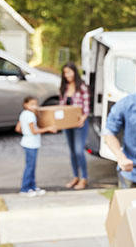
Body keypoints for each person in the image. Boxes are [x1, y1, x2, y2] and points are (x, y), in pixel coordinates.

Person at [15, 96, 57, 197]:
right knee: (30, 167)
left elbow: (18, 128)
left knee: (31, 166)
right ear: (25, 104)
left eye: (36, 104)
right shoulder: (30, 116)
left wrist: (26, 132)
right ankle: (25, 188)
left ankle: (32, 186)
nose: (35, 106)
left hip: (27, 142)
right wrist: (48, 129)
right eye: (32, 104)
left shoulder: (23, 114)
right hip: (31, 143)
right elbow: (34, 131)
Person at [59, 62, 91, 190]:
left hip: (80, 124)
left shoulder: (82, 86)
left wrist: (83, 118)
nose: (67, 75)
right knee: (72, 152)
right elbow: (61, 107)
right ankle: (75, 177)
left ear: (74, 72)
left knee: (79, 151)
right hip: (68, 124)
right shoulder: (64, 87)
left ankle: (84, 178)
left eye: (69, 72)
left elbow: (87, 107)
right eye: (65, 73)